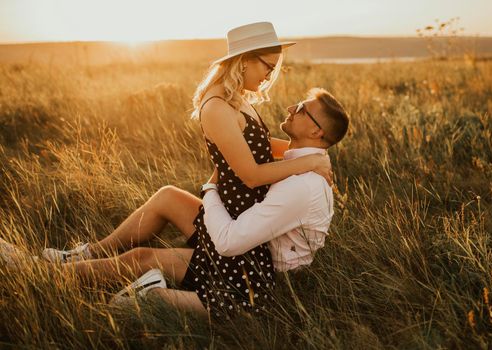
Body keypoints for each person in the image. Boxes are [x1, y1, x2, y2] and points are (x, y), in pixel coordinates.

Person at [13, 22, 332, 319]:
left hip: (239, 219)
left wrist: (309, 152)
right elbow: (250, 175)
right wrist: (309, 162)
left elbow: (260, 142)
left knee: (158, 215)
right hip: (233, 222)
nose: (270, 75)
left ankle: (78, 258)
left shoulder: (238, 99)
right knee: (139, 257)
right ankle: (44, 274)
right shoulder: (218, 107)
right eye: (268, 66)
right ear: (245, 60)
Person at [201, 87, 349, 272]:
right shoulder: (305, 166)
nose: (291, 108)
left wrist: (209, 190)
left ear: (315, 131)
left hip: (263, 276)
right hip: (249, 252)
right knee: (168, 196)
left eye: (302, 108)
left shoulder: (300, 185)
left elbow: (227, 243)